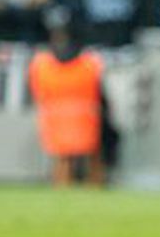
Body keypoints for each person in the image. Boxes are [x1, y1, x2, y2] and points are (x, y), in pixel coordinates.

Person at [27, 11, 106, 186]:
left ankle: (65, 186)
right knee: (86, 157)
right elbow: (101, 93)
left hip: (59, 116)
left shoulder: (41, 63)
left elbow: (36, 91)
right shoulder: (90, 62)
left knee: (65, 158)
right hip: (85, 116)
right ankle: (86, 186)